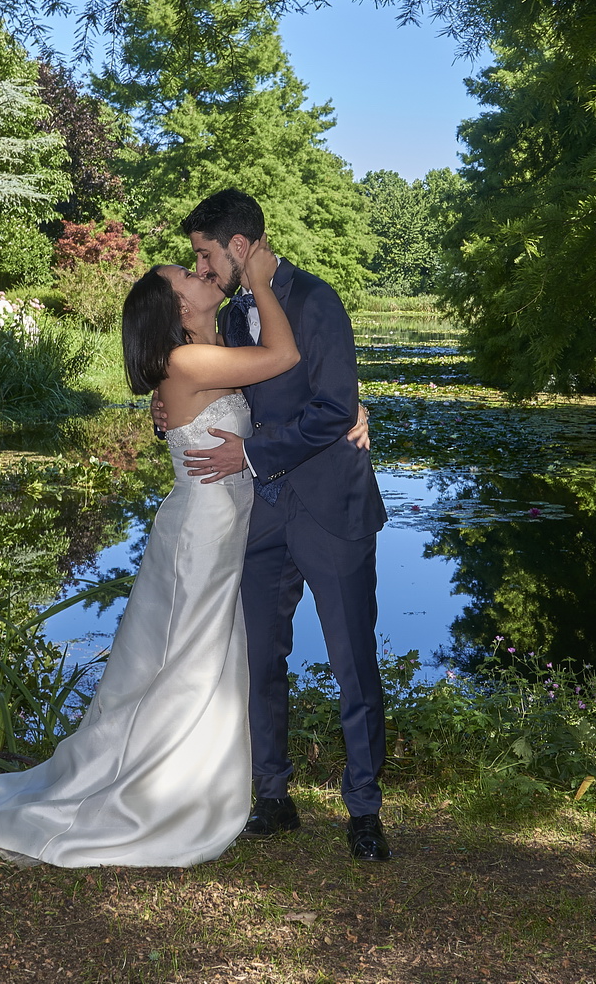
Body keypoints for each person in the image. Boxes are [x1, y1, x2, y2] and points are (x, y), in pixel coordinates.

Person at [0, 241, 295, 867]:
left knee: (186, 656)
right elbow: (282, 357)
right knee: (188, 659)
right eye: (189, 275)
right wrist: (262, 279)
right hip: (203, 527)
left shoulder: (200, 353)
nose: (202, 274)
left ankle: (177, 778)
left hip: (213, 524)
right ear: (176, 306)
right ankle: (157, 791)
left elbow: (251, 395)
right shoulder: (192, 360)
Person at [170, 189, 392, 862]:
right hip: (259, 515)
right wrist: (170, 411)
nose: (202, 270)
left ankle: (364, 810)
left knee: (353, 663)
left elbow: (332, 409)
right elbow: (215, 389)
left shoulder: (318, 301)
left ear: (239, 248)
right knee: (259, 658)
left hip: (332, 509)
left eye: (205, 255)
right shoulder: (232, 318)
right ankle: (273, 796)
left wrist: (254, 451)